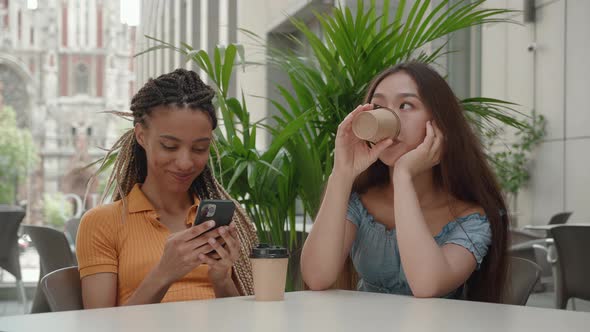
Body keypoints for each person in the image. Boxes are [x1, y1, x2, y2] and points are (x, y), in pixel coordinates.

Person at [301, 62, 509, 302]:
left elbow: (426, 286)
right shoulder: (360, 203)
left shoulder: (472, 218)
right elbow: (316, 277)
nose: (388, 118)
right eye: (378, 106)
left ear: (439, 123)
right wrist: (342, 173)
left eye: (406, 105)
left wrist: (403, 176)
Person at [76, 69, 257, 308]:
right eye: (170, 146)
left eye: (200, 148)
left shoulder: (218, 222)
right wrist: (163, 273)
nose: (185, 163)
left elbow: (242, 321)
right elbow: (99, 327)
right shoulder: (103, 223)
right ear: (141, 136)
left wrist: (222, 280)